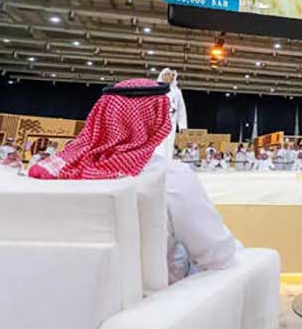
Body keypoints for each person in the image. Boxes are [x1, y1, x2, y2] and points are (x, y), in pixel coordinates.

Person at [28, 79, 238, 283]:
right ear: (158, 121)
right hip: (154, 303)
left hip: (60, 290)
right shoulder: (168, 176)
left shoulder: (53, 171)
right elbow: (218, 257)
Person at [155, 68, 188, 161]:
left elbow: (181, 109)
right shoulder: (156, 90)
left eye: (170, 75)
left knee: (168, 145)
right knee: (157, 146)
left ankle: (166, 165)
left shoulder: (177, 92)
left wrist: (182, 126)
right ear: (162, 76)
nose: (168, 77)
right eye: (166, 74)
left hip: (171, 124)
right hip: (157, 124)